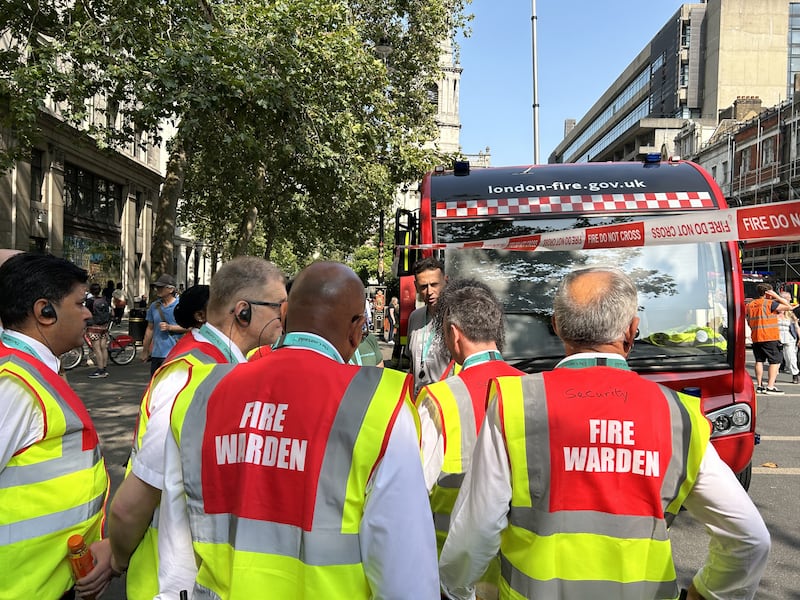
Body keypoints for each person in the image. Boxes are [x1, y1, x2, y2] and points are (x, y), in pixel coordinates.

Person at [439, 267, 771, 600]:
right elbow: (749, 539)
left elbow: (475, 532)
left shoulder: (515, 403)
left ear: (556, 325)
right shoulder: (680, 416)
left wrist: (458, 590)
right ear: (632, 330)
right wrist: (707, 592)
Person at [156, 261, 438, 598]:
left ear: (285, 312)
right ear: (357, 329)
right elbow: (406, 579)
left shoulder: (198, 394)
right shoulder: (379, 406)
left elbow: (175, 554)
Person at [108, 258, 286, 600]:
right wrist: (116, 559)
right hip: (170, 581)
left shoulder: (222, 366)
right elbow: (132, 503)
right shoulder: (190, 376)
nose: (283, 316)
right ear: (243, 312)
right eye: (278, 306)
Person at [0, 253, 115, 598]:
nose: (88, 312)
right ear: (44, 311)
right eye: (80, 303)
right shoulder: (14, 386)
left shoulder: (29, 373)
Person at [416, 280, 522, 560]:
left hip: (451, 567)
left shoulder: (438, 399)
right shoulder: (535, 390)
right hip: (516, 570)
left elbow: (413, 492)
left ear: (453, 333)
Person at [406, 256, 452, 396]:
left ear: (446, 281)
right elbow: (412, 365)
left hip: (446, 403)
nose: (429, 291)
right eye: (423, 287)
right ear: (416, 287)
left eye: (434, 284)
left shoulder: (455, 317)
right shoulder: (415, 317)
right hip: (418, 402)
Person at [746, 283, 795, 394]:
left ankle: (759, 386)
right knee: (775, 361)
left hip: (756, 336)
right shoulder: (769, 303)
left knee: (759, 361)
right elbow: (789, 307)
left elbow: (748, 319)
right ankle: (770, 386)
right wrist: (777, 297)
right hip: (769, 336)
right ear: (768, 293)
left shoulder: (750, 304)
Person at [141, 273, 187, 375]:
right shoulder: (154, 306)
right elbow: (149, 329)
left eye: (161, 287)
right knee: (155, 387)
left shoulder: (181, 306)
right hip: (156, 354)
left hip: (175, 354)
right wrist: (145, 350)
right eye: (157, 287)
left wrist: (170, 327)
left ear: (171, 290)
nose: (158, 289)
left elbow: (190, 327)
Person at [86, 281, 112, 378]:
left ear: (91, 291)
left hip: (94, 327)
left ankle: (100, 370)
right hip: (104, 327)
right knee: (103, 347)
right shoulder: (104, 300)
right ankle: (104, 368)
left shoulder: (90, 301)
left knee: (97, 349)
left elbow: (86, 313)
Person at [778, 290, 800, 384]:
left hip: (789, 337)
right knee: (776, 359)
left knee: (790, 358)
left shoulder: (790, 313)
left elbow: (796, 327)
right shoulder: (774, 313)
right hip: (776, 337)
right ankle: (774, 375)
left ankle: (795, 375)